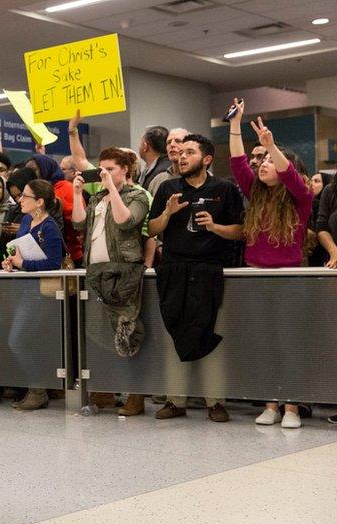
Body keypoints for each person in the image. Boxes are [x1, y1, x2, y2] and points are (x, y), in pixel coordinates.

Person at [227, 101, 314, 428]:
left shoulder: (300, 198)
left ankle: (292, 407)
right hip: (257, 277)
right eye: (261, 160)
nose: (262, 164)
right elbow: (237, 162)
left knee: (289, 342)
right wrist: (235, 125)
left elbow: (291, 176)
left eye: (268, 161)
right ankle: (271, 404)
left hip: (289, 278)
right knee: (264, 342)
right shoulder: (255, 194)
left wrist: (271, 145)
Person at [147, 134, 244, 422]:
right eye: (181, 153)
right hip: (174, 271)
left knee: (210, 337)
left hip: (209, 271)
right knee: (172, 336)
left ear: (207, 159)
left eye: (190, 152)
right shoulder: (167, 188)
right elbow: (151, 229)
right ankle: (175, 401)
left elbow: (240, 230)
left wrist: (214, 227)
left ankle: (215, 402)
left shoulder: (224, 189)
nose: (182, 157)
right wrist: (167, 213)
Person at [72, 148, 151, 414]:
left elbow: (126, 221)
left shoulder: (138, 195)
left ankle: (136, 394)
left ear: (125, 170)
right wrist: (76, 194)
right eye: (101, 168)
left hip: (124, 271)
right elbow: (79, 224)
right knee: (98, 335)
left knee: (127, 330)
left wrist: (112, 191)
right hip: (96, 271)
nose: (104, 173)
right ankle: (105, 390)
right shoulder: (97, 198)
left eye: (111, 169)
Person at [0, 179, 65, 411]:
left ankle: (38, 388)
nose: (20, 200)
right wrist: (12, 262)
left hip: (40, 294)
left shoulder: (49, 228)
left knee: (18, 339)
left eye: (25, 197)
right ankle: (38, 387)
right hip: (25, 290)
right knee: (24, 340)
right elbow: (20, 251)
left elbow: (54, 264)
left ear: (39, 202)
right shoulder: (27, 221)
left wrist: (23, 263)